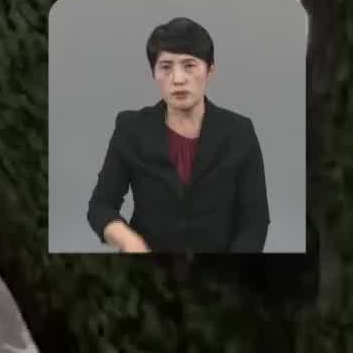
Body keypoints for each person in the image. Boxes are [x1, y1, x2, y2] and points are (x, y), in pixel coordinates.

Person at [85, 17, 270, 253]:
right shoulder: (130, 128)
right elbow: (101, 206)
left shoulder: (240, 132)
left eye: (189, 65)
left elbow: (255, 221)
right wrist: (129, 242)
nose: (178, 79)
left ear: (210, 70)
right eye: (166, 67)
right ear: (153, 73)